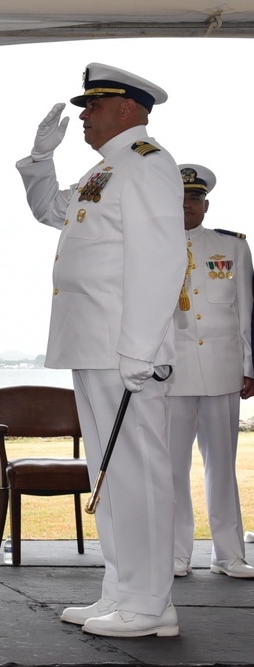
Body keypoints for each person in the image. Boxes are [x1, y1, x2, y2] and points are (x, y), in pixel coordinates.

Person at [16, 63, 186, 637]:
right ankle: (124, 591)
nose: (83, 115)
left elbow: (161, 257)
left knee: (140, 473)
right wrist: (40, 162)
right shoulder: (104, 172)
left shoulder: (147, 165)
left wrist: (140, 347)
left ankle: (151, 600)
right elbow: (50, 212)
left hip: (124, 348)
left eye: (94, 105)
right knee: (111, 473)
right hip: (95, 344)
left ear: (128, 109)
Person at [167, 164, 254, 579]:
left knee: (223, 464)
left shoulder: (233, 247)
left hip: (222, 369)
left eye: (195, 199)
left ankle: (229, 554)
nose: (187, 206)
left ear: (206, 204)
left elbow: (246, 312)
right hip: (171, 372)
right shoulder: (151, 246)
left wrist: (249, 365)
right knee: (172, 468)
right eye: (180, 199)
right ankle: (175, 553)